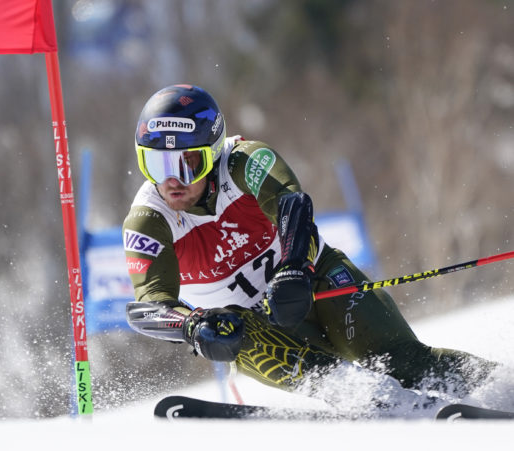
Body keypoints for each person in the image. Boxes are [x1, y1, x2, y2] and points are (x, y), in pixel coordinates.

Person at [123, 84, 494, 402]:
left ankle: (501, 388)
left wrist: (294, 268)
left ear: (215, 151)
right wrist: (192, 326)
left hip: (313, 284)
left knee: (407, 362)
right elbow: (148, 308)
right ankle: (375, 403)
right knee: (337, 378)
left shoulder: (243, 161)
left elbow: (293, 204)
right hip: (250, 327)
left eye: (188, 164)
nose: (172, 180)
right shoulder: (149, 219)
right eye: (156, 165)